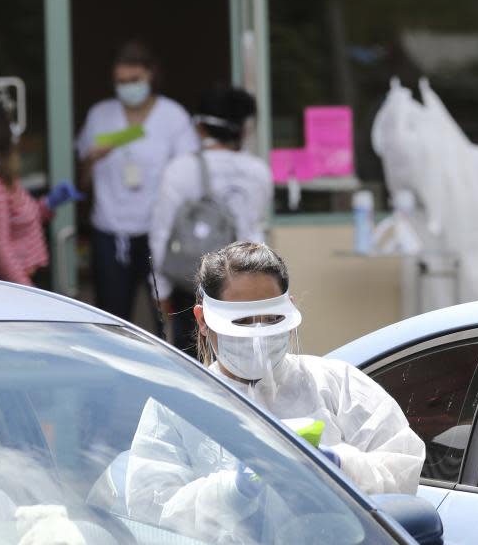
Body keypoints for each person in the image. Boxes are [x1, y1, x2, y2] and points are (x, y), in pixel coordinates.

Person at [126, 242, 425, 538]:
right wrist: (234, 489)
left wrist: (338, 465)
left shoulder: (336, 384)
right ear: (203, 321)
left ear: (290, 308)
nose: (258, 335)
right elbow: (151, 509)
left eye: (271, 320)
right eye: (242, 321)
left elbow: (403, 467)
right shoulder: (178, 405)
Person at [76, 40, 198, 321]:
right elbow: (83, 182)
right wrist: (91, 159)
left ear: (151, 76)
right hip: (110, 231)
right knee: (112, 316)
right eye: (121, 81)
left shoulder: (173, 116)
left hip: (159, 231)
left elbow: (187, 176)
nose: (128, 87)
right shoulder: (100, 115)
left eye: (135, 80)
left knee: (168, 315)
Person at [149, 86, 273, 353]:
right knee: (243, 360)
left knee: (194, 365)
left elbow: (161, 234)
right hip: (246, 282)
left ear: (200, 127)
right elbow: (255, 226)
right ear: (243, 129)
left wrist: (161, 290)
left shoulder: (179, 170)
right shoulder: (258, 172)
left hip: (190, 285)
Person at [0, 101, 82, 286]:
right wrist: (29, 294)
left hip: (11, 287)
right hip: (1, 291)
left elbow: (18, 220)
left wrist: (47, 205)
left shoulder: (6, 180)